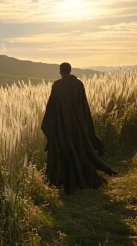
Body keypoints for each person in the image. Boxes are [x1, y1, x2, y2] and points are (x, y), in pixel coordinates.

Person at [41, 62, 117, 195]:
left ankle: (62, 180)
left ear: (60, 71)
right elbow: (84, 107)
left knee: (62, 150)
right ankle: (83, 176)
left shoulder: (57, 86)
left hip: (62, 128)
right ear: (70, 70)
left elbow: (51, 108)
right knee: (79, 149)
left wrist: (49, 127)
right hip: (78, 127)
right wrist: (85, 125)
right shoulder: (79, 84)